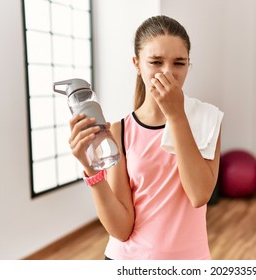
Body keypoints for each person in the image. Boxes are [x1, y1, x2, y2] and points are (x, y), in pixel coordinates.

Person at [68, 15, 222, 260]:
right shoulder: (120, 130)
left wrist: (176, 116)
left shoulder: (207, 118)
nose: (167, 73)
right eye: (156, 62)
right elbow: (121, 229)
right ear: (137, 64)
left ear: (188, 65)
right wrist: (90, 167)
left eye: (179, 63)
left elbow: (199, 194)